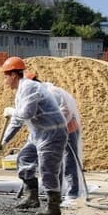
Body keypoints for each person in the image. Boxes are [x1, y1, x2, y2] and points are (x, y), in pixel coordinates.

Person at [0, 57, 68, 215]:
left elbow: (26, 114)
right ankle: (32, 197)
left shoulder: (29, 87)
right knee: (24, 158)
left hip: (52, 134)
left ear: (13, 75)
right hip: (38, 134)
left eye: (5, 76)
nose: (5, 80)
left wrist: (11, 111)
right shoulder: (20, 92)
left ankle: (53, 206)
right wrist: (3, 142)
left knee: (47, 169)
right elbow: (16, 121)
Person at [25, 69, 86, 204]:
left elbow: (65, 111)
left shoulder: (52, 93)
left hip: (68, 129)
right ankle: (55, 195)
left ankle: (73, 193)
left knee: (69, 161)